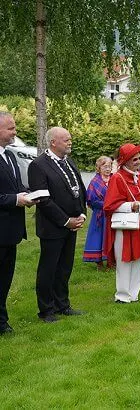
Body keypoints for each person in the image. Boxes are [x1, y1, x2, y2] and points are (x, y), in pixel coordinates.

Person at [28, 127, 87, 322]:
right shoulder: (38, 165)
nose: (70, 142)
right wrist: (65, 221)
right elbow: (43, 200)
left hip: (72, 224)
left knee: (65, 267)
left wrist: (81, 215)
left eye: (70, 139)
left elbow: (79, 189)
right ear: (53, 142)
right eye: (66, 140)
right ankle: (46, 310)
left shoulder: (68, 161)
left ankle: (63, 304)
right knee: (49, 268)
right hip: (53, 226)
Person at [103, 144, 140, 303]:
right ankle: (122, 295)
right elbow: (109, 205)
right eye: (134, 159)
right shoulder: (117, 178)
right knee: (124, 259)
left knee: (138, 257)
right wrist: (131, 206)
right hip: (125, 225)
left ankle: (134, 294)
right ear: (125, 161)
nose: (138, 161)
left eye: (139, 158)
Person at [0, 112, 35, 334]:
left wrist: (29, 195)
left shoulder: (10, 156)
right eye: (11, 128)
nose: (15, 132)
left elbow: (14, 187)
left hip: (11, 230)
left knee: (5, 277)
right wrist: (15, 199)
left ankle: (2, 320)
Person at [83, 156, 112, 271]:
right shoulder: (95, 182)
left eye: (109, 166)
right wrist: (106, 205)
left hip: (112, 214)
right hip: (99, 216)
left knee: (111, 237)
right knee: (98, 237)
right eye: (105, 166)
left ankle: (111, 261)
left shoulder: (115, 179)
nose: (108, 169)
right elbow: (91, 200)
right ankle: (99, 262)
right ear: (99, 168)